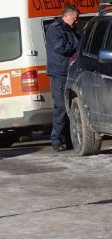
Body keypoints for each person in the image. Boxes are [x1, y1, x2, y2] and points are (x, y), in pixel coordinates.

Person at [46, 4, 81, 152]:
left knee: (70, 107)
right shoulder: (54, 29)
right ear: (66, 16)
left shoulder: (71, 30)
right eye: (75, 18)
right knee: (61, 107)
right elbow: (63, 48)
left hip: (71, 72)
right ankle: (56, 139)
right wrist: (76, 44)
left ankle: (70, 139)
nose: (76, 22)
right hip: (59, 73)